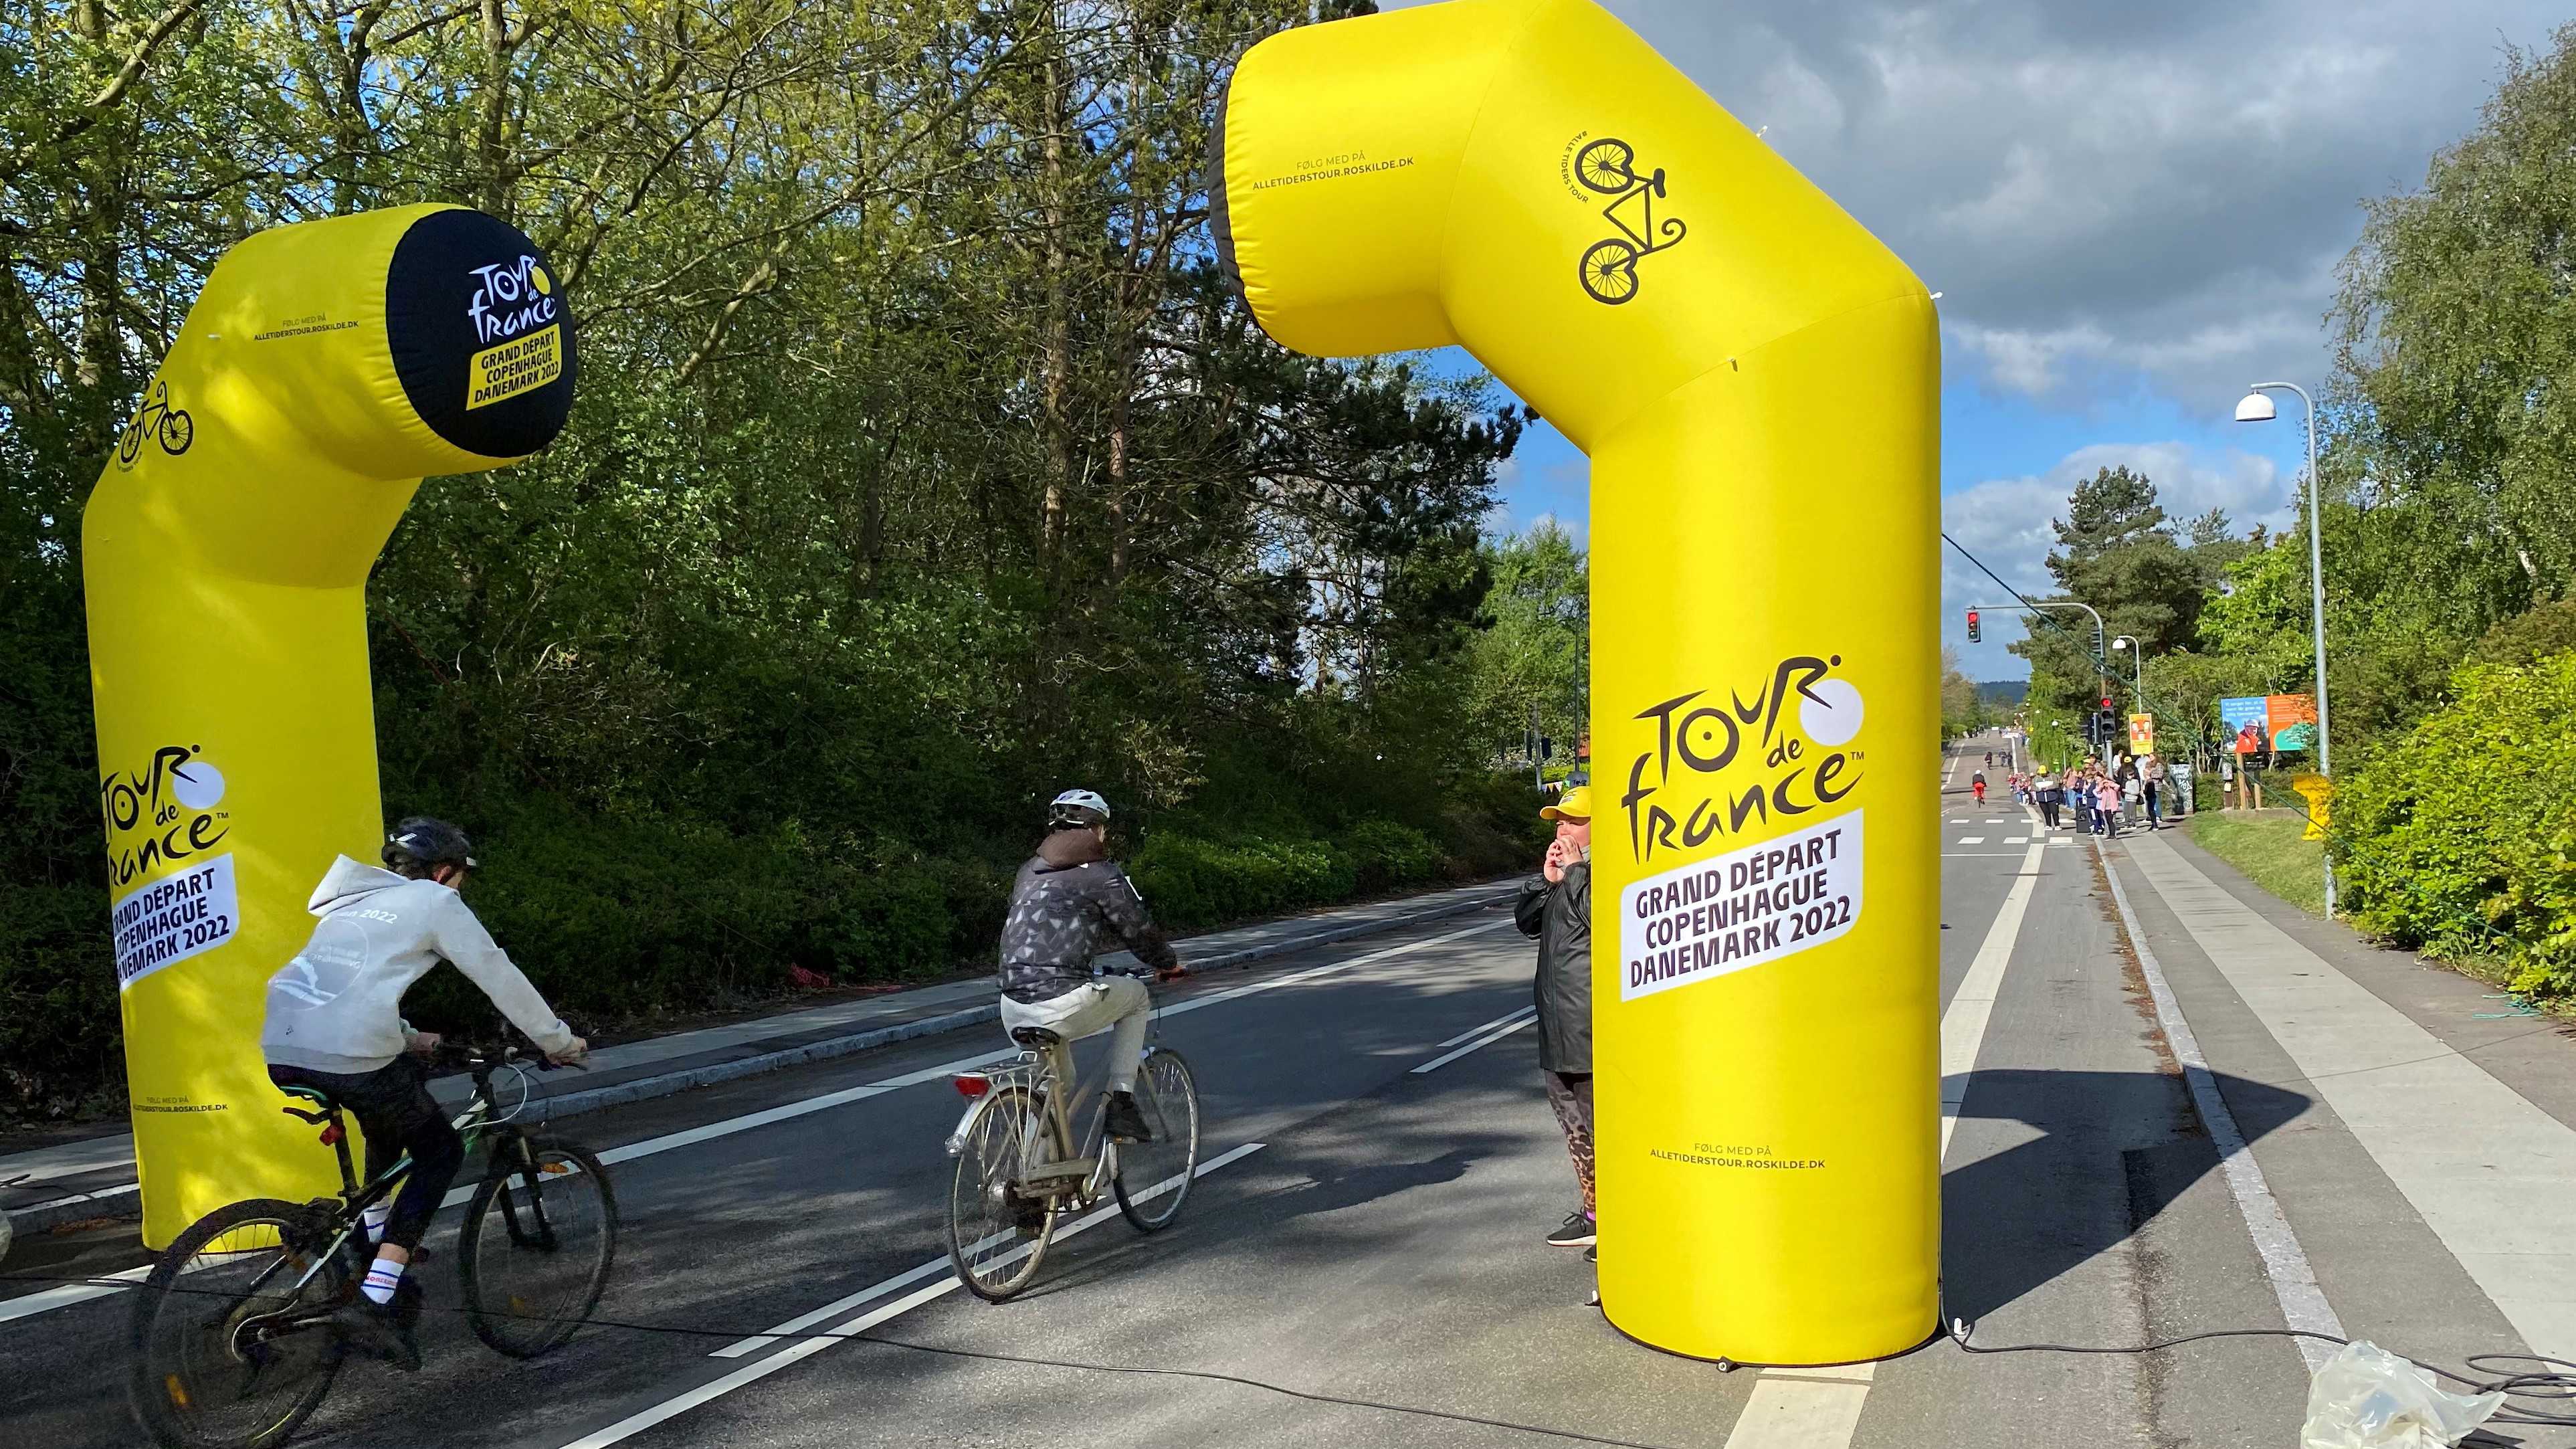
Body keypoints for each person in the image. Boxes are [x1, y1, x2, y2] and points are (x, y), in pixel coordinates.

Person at [261, 817, 587, 1371]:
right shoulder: (435, 902)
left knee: (390, 1108)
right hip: (350, 1051)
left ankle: (370, 1242)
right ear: (443, 872)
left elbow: (342, 986)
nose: (460, 887)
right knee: (441, 1151)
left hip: (284, 1045)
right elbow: (498, 973)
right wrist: (557, 1041)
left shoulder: (353, 903)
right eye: (460, 877)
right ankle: (376, 1296)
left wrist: (411, 1038)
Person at [996, 789, 1185, 1153]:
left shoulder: (1028, 871)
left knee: (1059, 1081)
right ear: (1096, 830)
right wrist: (1168, 964)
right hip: (1062, 1001)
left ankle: (1032, 1169)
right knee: (1137, 998)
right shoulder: (1101, 875)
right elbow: (1138, 930)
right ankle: (1123, 1101)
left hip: (1012, 1004)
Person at [1516, 785, 1595, 1253]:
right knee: (1575, 1129)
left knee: (1605, 1130)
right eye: (1559, 821)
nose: (1562, 830)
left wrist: (1577, 872)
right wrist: (1545, 882)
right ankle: (1595, 1214)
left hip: (1591, 1025)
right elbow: (1527, 923)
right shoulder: (1567, 874)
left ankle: (1625, 1222)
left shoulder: (1613, 873)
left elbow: (1601, 920)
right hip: (1556, 1020)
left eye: (1574, 821)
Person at [2095, 769, 2124, 838]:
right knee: (2108, 821)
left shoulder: (2112, 788)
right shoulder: (2103, 789)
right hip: (2105, 807)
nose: (2106, 784)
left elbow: (2118, 787)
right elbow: (2097, 790)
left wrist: (2110, 784)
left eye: (2106, 783)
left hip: (2112, 807)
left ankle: (2113, 835)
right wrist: (2102, 784)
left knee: (2111, 821)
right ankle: (2110, 834)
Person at [2142, 753, 2167, 830]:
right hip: (2150, 785)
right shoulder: (2149, 764)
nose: (2150, 758)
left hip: (2156, 785)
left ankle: (2158, 816)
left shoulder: (2159, 765)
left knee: (2157, 801)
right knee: (2150, 803)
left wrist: (2151, 774)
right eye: (2149, 757)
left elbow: (2160, 775)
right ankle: (2151, 817)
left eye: (2152, 756)